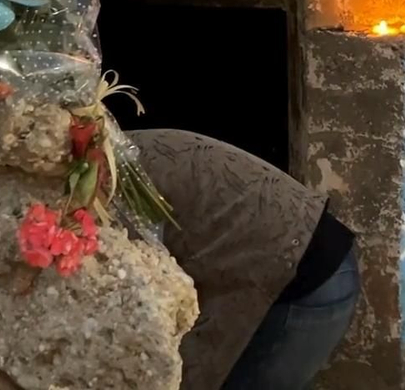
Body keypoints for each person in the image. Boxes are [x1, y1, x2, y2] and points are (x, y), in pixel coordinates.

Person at [129, 129, 360, 390]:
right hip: (314, 258)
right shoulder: (128, 151)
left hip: (300, 278)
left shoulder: (111, 179)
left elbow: (138, 298)